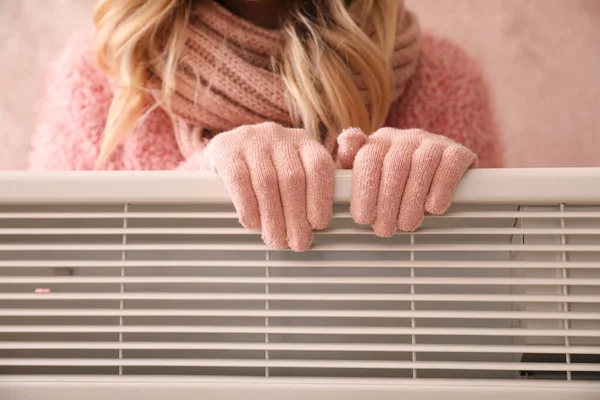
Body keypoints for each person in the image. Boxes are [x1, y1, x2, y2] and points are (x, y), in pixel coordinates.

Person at [29, 0, 503, 251]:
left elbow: (497, 303)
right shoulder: (102, 72)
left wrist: (451, 210)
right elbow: (47, 292)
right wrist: (201, 188)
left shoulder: (441, 77)